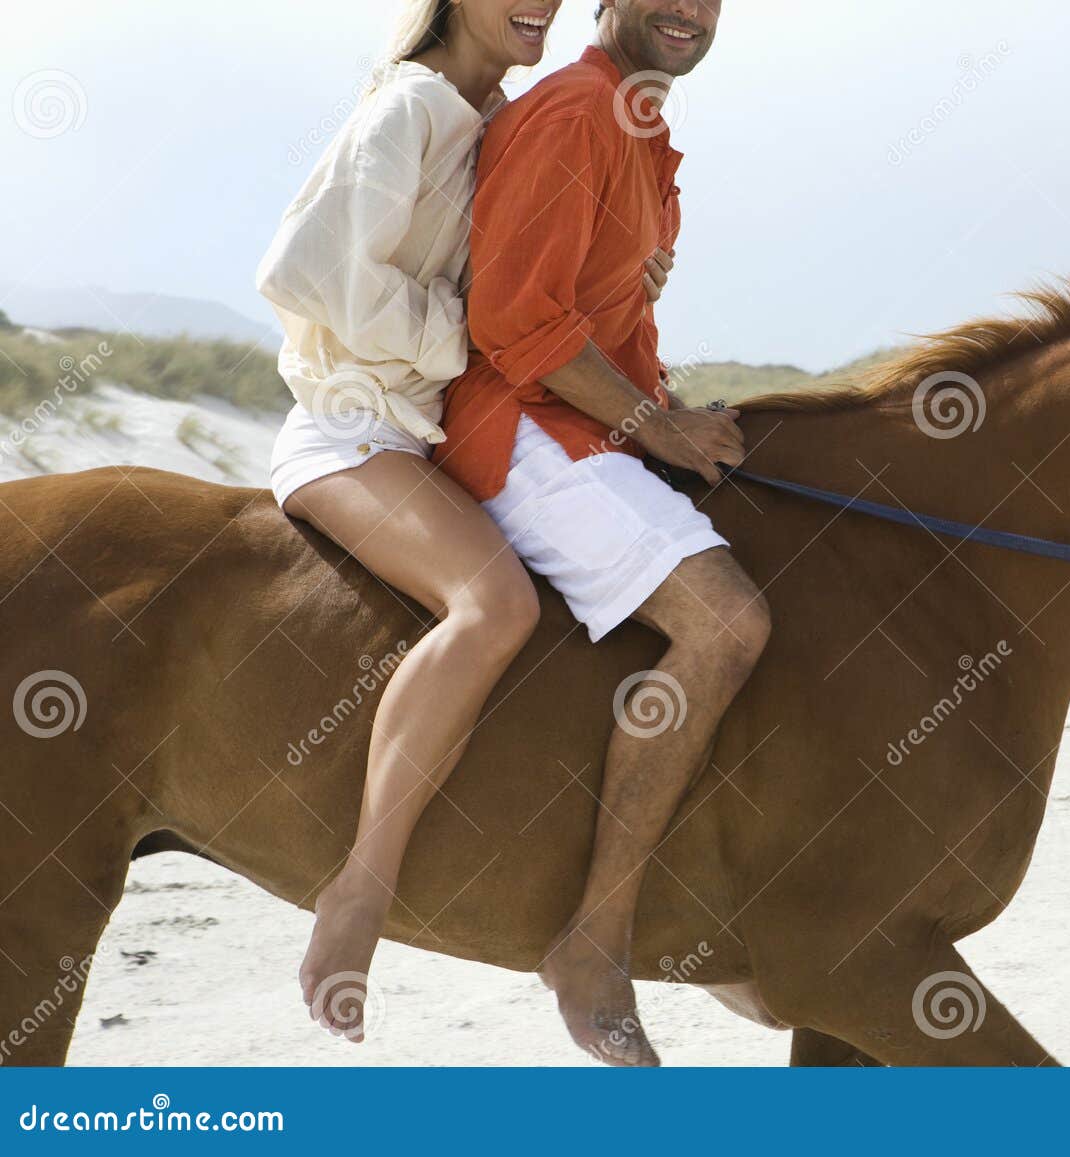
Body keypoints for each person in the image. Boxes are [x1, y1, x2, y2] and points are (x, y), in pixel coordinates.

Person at [255, 0, 666, 1044]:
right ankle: (359, 889)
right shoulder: (413, 107)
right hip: (349, 432)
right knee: (492, 604)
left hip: (418, 437)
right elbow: (301, 271)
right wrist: (464, 342)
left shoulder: (494, 116)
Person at [438, 0, 765, 1066]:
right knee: (723, 622)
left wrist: (662, 401)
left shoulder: (642, 130)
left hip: (588, 417)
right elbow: (513, 321)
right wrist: (653, 424)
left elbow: (603, 313)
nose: (687, 10)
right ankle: (592, 945)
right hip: (517, 425)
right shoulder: (576, 111)